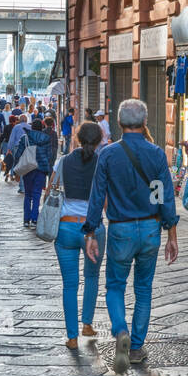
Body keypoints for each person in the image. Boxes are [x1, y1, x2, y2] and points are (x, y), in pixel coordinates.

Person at [83, 98, 179, 375]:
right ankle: (136, 347)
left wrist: (91, 230)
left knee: (114, 286)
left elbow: (97, 195)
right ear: (144, 122)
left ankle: (120, 330)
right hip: (150, 228)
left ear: (120, 123)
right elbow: (164, 195)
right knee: (144, 289)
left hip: (121, 229)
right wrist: (171, 232)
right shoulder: (157, 154)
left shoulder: (109, 154)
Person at [49, 122, 105, 349]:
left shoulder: (63, 162)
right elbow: (105, 200)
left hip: (66, 227)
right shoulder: (102, 163)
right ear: (100, 141)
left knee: (69, 285)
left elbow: (49, 193)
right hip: (93, 229)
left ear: (77, 138)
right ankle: (87, 324)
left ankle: (72, 337)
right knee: (91, 277)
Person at [20, 118, 54, 227]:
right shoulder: (46, 139)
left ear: (32, 127)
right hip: (41, 169)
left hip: (28, 168)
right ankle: (34, 219)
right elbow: (50, 155)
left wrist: (16, 170)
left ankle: (26, 220)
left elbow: (19, 154)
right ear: (42, 128)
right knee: (37, 194)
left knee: (28, 194)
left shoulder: (25, 138)